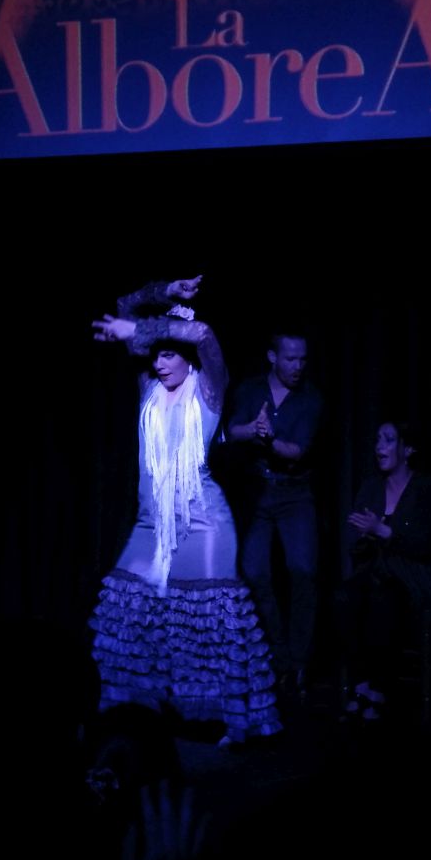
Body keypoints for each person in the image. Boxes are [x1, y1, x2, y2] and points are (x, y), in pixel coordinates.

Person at [88, 277, 280, 745]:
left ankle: (235, 721)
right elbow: (124, 305)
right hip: (151, 524)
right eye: (154, 355)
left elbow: (204, 334)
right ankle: (127, 713)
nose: (158, 362)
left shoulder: (209, 388)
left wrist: (144, 329)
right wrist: (166, 291)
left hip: (203, 523)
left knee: (211, 624)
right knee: (126, 615)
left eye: (168, 354)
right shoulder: (148, 389)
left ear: (187, 358)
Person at [224, 330, 323, 697]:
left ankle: (299, 663)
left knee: (303, 572)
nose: (298, 366)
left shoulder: (311, 398)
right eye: (290, 359)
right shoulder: (251, 390)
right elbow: (232, 430)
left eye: (303, 359)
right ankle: (279, 658)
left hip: (295, 493)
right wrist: (253, 429)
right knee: (254, 574)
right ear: (272, 357)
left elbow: (297, 451)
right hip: (258, 492)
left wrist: (268, 439)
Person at [339, 421, 431, 720]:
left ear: (407, 448)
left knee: (382, 598)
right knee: (344, 597)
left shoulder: (426, 488)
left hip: (414, 576)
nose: (379, 447)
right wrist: (363, 537)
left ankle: (379, 687)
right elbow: (354, 539)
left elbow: (426, 544)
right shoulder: (371, 488)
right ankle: (360, 683)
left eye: (388, 440)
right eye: (377, 440)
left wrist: (382, 531)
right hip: (374, 570)